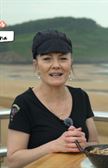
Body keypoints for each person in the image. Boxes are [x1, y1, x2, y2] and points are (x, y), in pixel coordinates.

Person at [7, 30, 99, 168]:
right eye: (47, 59)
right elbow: (13, 160)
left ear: (71, 63)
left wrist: (82, 144)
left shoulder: (81, 96)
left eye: (63, 58)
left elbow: (94, 144)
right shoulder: (23, 103)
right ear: (36, 65)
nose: (56, 65)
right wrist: (54, 146)